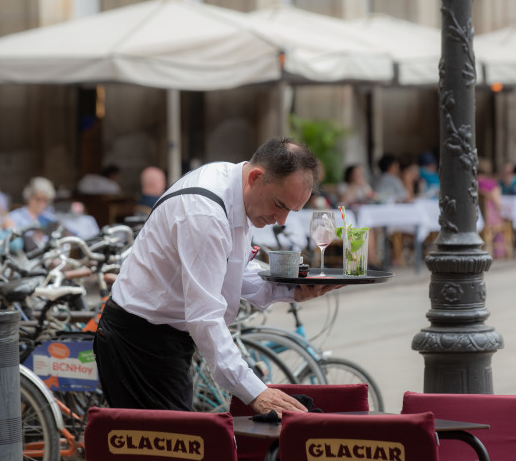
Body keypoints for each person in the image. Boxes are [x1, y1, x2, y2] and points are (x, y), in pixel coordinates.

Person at [93, 137, 340, 415]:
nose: (280, 220)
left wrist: (291, 289)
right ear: (256, 177)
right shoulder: (205, 214)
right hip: (138, 343)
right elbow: (205, 316)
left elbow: (235, 269)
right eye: (279, 205)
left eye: (290, 211)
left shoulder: (235, 186)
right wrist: (254, 391)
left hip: (161, 338)